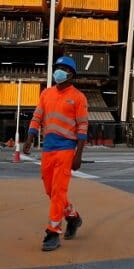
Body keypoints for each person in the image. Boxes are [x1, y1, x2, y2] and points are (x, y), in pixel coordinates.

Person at [23, 56, 88, 252]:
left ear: (71, 74)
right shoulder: (46, 94)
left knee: (59, 191)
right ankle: (73, 217)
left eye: (63, 68)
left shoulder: (78, 97)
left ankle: (53, 232)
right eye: (57, 67)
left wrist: (78, 155)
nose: (58, 71)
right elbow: (37, 116)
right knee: (50, 191)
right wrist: (29, 137)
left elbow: (83, 127)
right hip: (48, 149)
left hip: (66, 149)